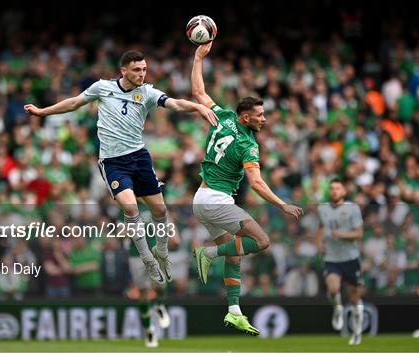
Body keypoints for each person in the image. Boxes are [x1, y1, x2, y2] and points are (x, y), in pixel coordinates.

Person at [24, 50, 218, 285]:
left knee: (160, 212)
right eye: (137, 70)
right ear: (123, 70)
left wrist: (198, 107)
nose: (142, 74)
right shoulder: (102, 87)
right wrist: (42, 111)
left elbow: (174, 103)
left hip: (139, 157)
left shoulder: (146, 92)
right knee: (130, 208)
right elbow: (74, 102)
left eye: (144, 69)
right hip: (113, 162)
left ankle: (162, 253)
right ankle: (147, 259)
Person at [190, 42, 303, 336]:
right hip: (216, 200)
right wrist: (282, 204)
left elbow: (199, 93)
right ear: (245, 117)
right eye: (259, 115)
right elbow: (256, 183)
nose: (264, 119)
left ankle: (234, 311)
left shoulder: (224, 117)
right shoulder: (247, 144)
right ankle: (208, 255)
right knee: (262, 241)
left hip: (200, 199)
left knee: (236, 253)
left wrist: (198, 58)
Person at [316, 178, 364, 345]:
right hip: (332, 258)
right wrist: (319, 243)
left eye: (338, 188)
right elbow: (321, 227)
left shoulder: (352, 208)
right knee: (333, 288)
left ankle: (357, 332)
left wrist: (341, 235)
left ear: (344, 192)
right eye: (332, 188)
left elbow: (358, 233)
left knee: (355, 298)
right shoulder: (322, 208)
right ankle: (337, 308)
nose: (335, 191)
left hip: (350, 258)